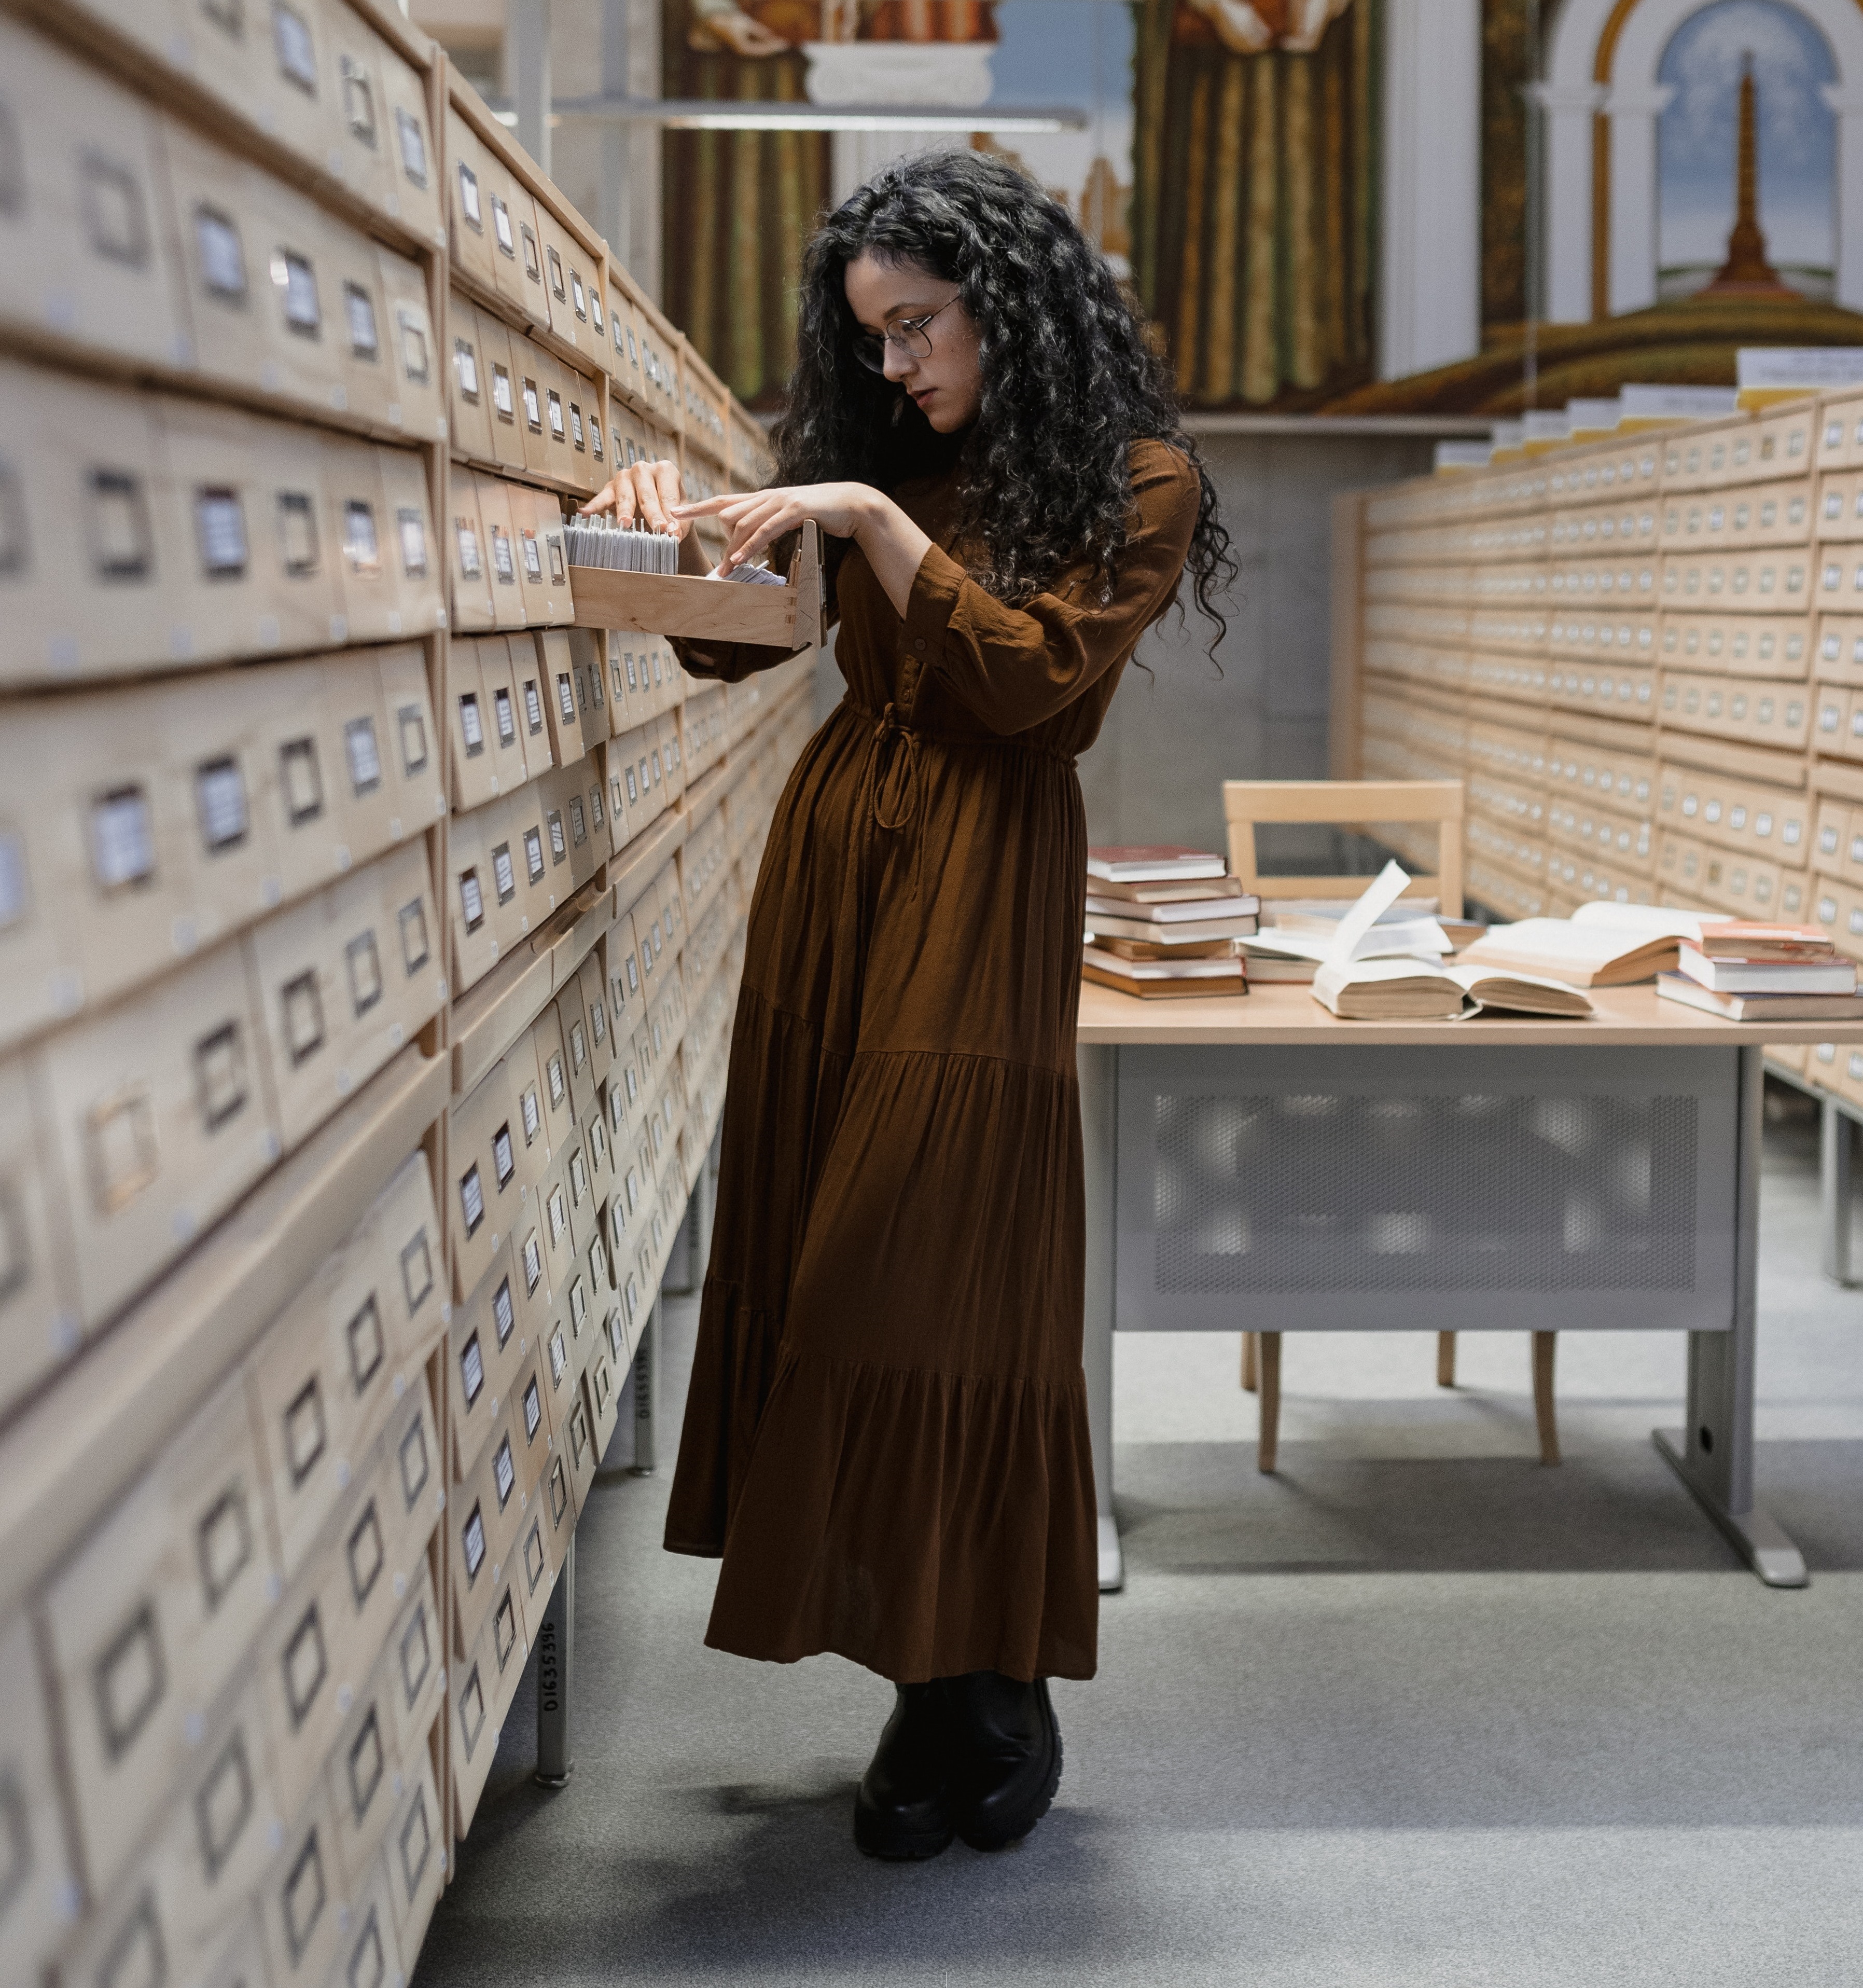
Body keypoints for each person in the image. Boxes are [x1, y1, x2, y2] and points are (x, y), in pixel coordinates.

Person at [581, 147, 1232, 1861]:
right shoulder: (876, 451)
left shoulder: (1137, 480)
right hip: (840, 866)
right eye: (870, 338)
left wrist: (873, 524)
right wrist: (650, 525)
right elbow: (742, 647)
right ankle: (927, 1689)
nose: (895, 371)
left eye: (919, 329)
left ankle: (994, 1671)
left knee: (928, 1270)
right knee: (820, 1249)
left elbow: (1028, 689)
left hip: (984, 865)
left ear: (1004, 304)